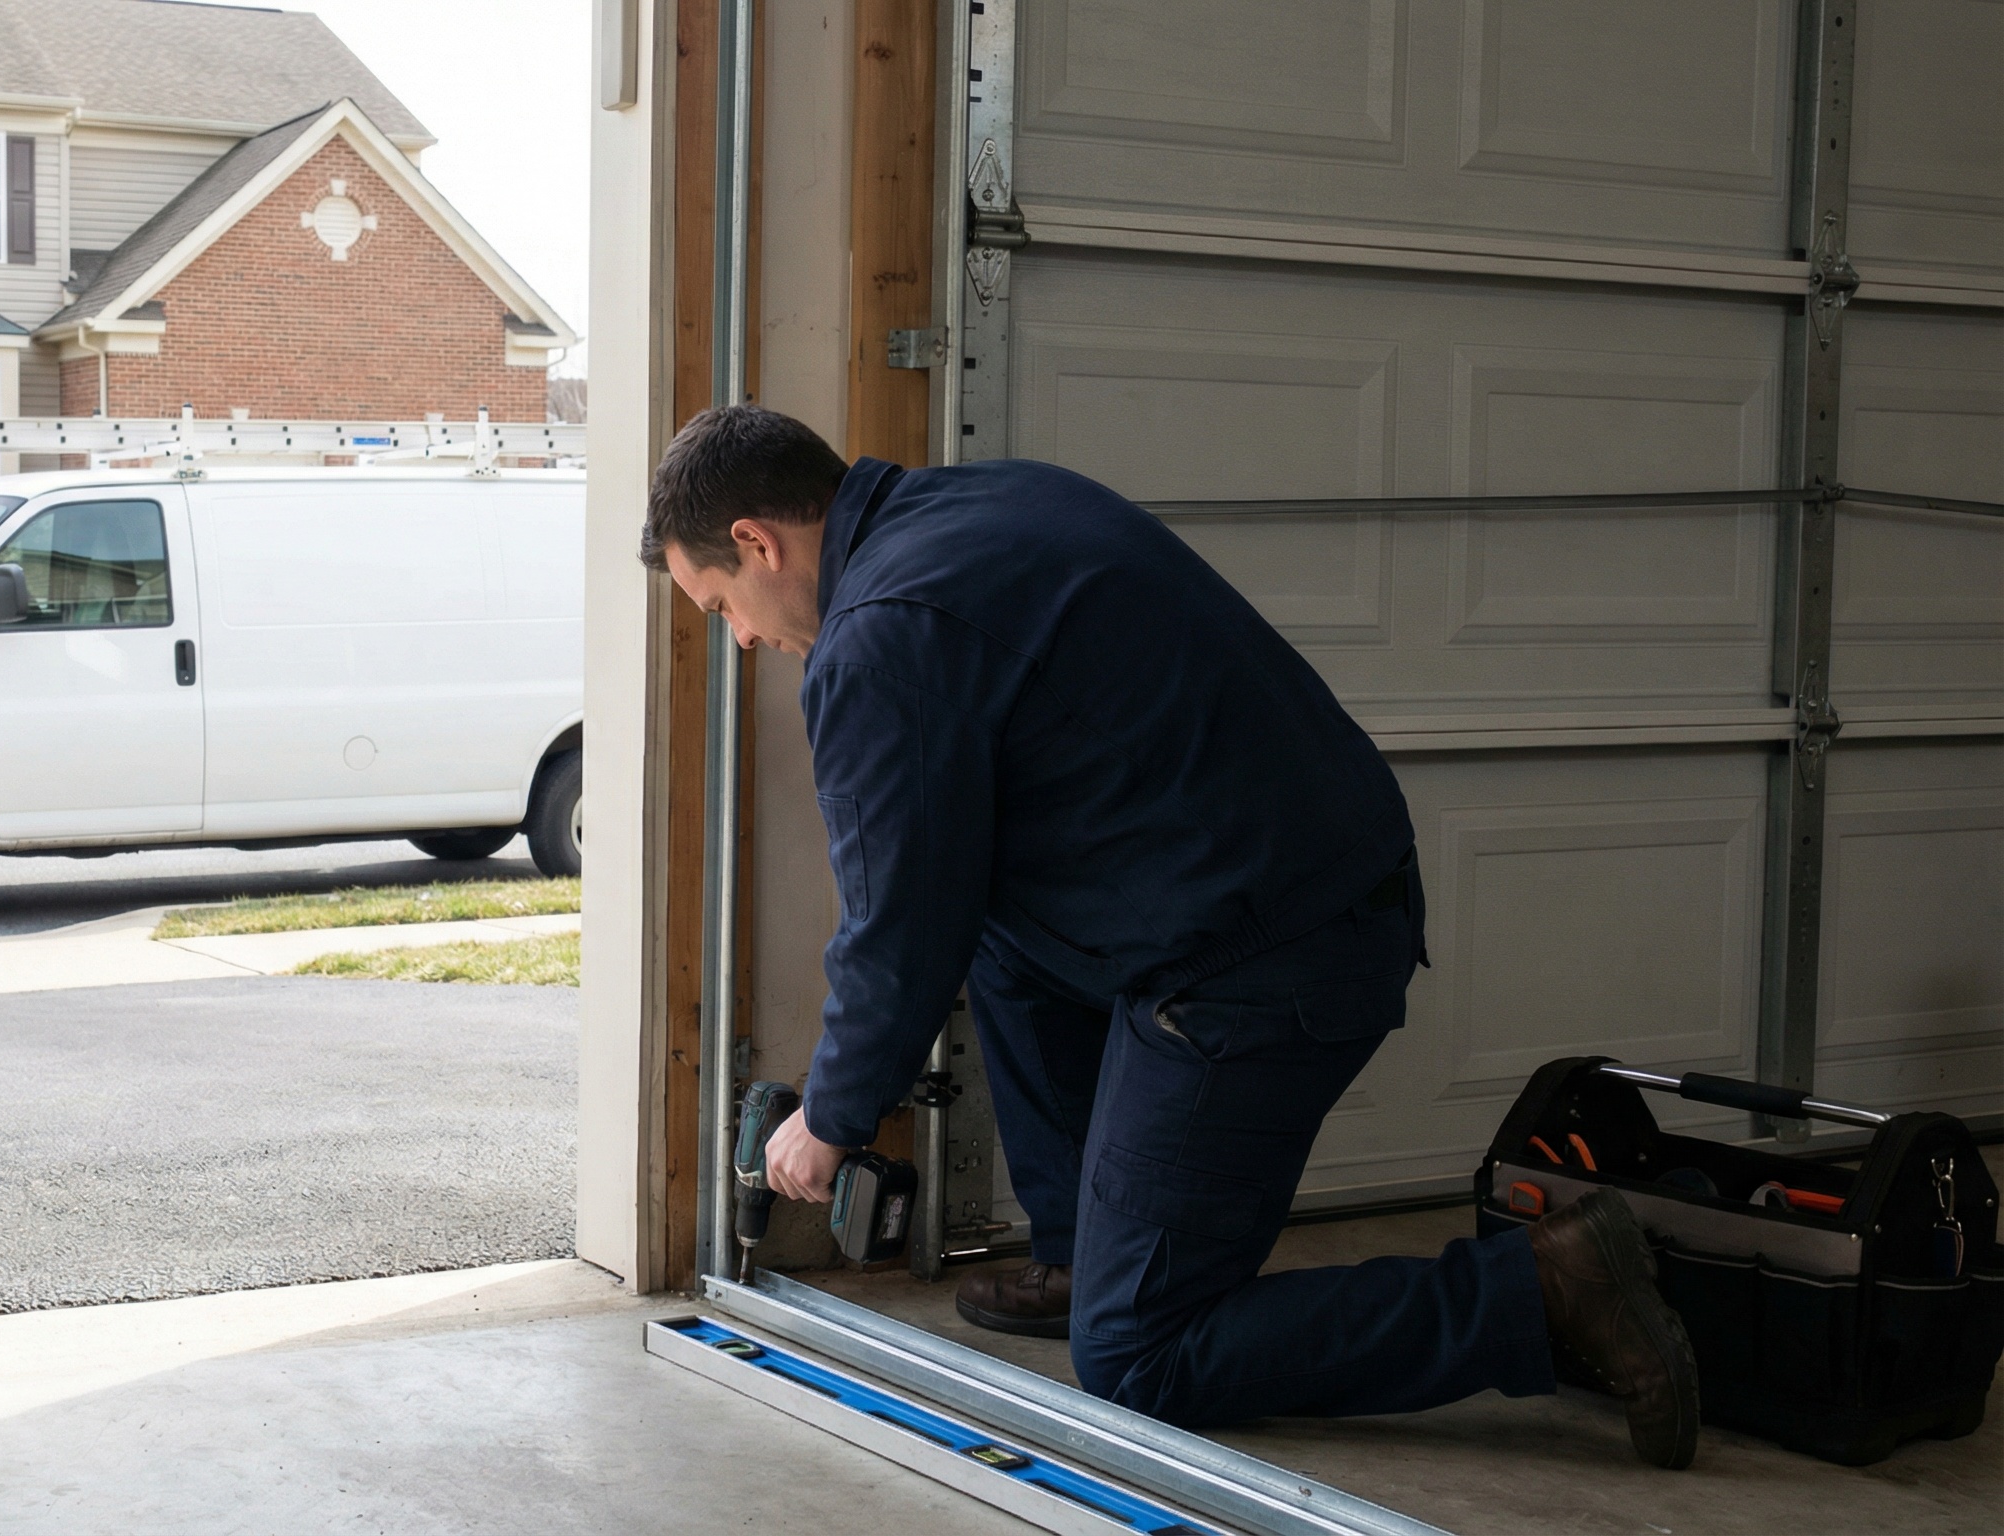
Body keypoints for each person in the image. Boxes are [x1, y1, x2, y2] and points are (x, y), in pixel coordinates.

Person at [641, 405, 1705, 1469]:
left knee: (1140, 1357)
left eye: (720, 605)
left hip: (1259, 959)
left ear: (756, 543)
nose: (740, 637)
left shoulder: (876, 640)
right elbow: (940, 898)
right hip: (1304, 882)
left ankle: (1542, 1291)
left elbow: (895, 925)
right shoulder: (988, 497)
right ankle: (1080, 1254)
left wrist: (829, 1117)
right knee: (997, 940)